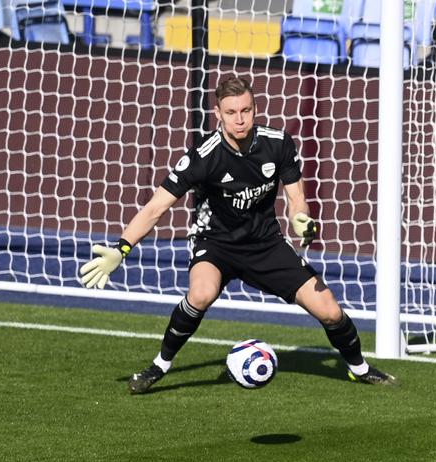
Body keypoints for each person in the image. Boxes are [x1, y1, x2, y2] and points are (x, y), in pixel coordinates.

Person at [78, 74, 396, 393]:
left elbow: (296, 199)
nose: (239, 119)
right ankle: (159, 366)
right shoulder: (203, 157)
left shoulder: (278, 143)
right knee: (201, 293)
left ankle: (359, 368)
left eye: (246, 110)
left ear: (255, 108)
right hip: (215, 244)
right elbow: (154, 208)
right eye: (231, 113)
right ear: (218, 114)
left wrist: (301, 221)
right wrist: (121, 249)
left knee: (329, 310)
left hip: (265, 244)